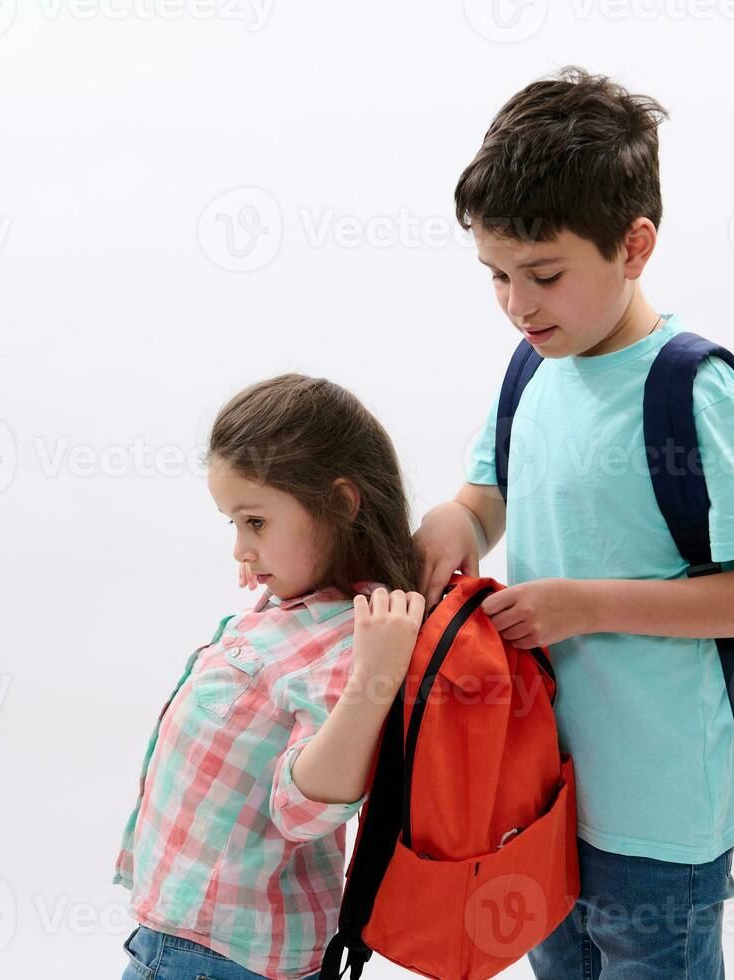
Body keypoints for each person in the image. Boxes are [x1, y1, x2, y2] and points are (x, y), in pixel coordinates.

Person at [414, 67, 734, 979]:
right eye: (496, 276)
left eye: (544, 275)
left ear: (633, 245)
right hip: (538, 796)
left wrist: (584, 606)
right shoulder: (531, 369)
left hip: (659, 815)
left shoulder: (687, 386)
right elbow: (486, 497)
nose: (518, 305)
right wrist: (451, 527)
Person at [113, 373, 426, 980]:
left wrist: (373, 680)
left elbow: (304, 811)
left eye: (255, 522)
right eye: (233, 524)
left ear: (340, 503)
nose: (239, 549)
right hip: (196, 939)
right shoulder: (301, 609)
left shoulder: (354, 639)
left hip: (218, 956)